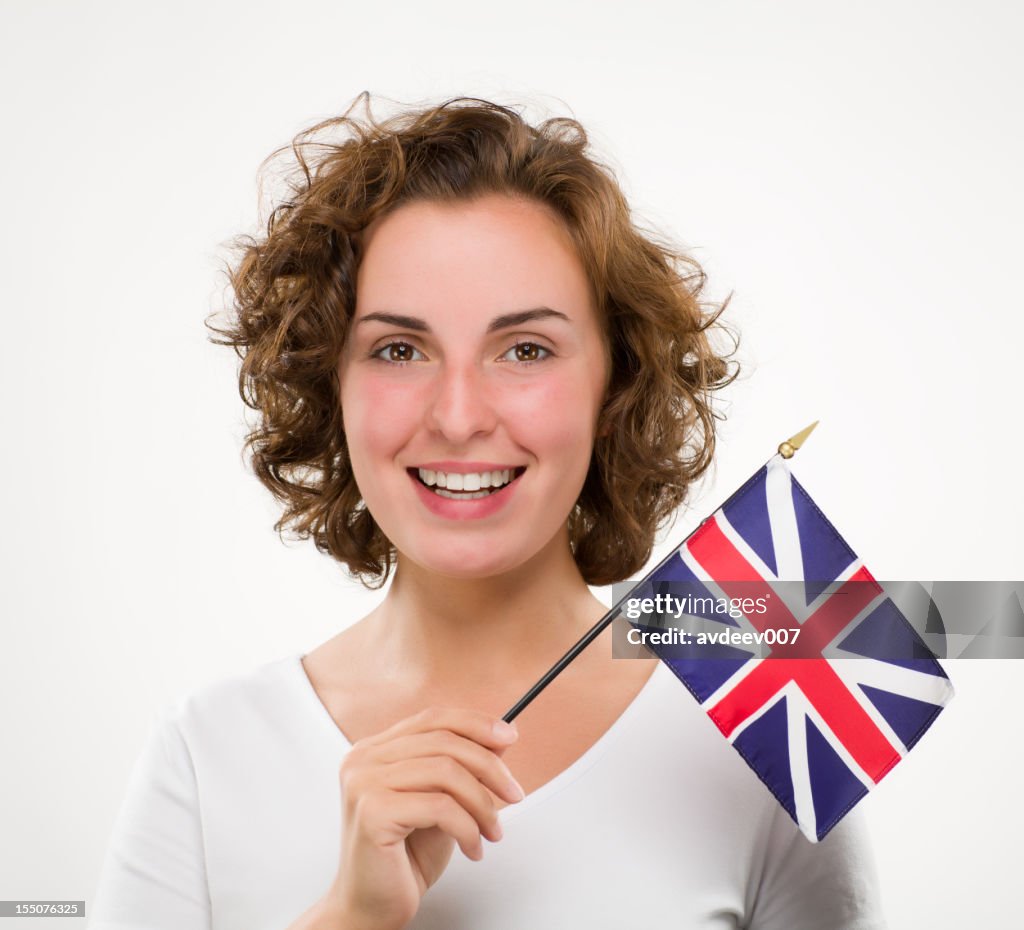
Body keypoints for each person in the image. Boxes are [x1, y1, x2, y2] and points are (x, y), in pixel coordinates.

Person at [88, 95, 887, 930]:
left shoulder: (763, 728)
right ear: (333, 384)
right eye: (399, 349)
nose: (460, 415)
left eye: (526, 350)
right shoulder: (207, 756)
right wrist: (352, 916)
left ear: (612, 388)